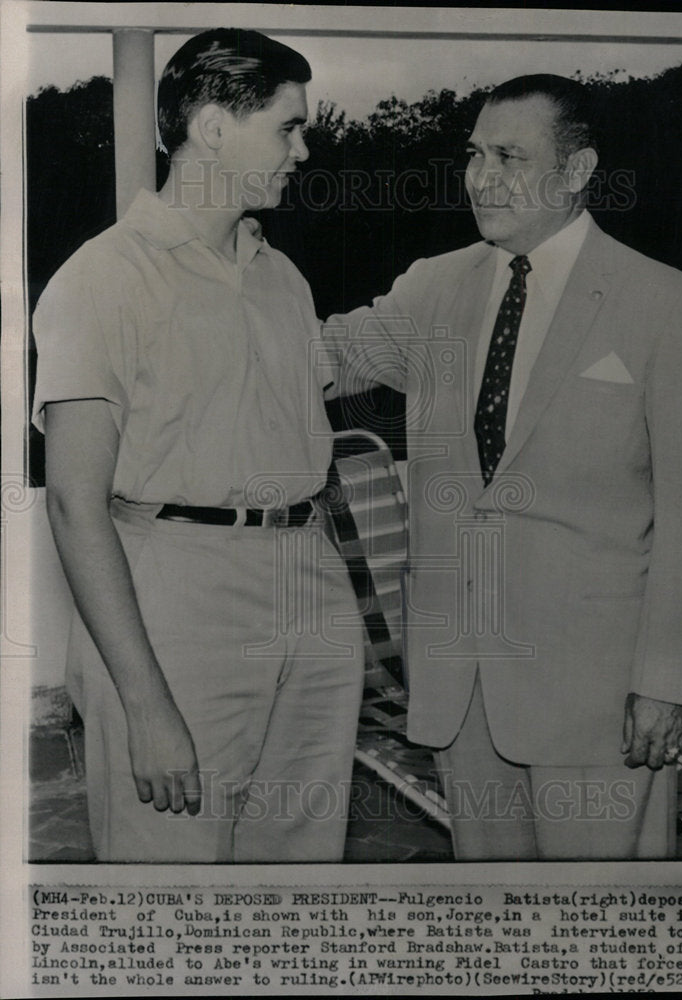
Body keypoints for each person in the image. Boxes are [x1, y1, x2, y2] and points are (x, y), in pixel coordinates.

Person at [325, 74, 682, 860]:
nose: (480, 177)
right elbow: (326, 357)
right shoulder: (434, 287)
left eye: (509, 156)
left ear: (577, 171)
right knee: (500, 923)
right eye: (474, 154)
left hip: (598, 688)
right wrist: (232, 291)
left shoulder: (666, 304)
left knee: (607, 931)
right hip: (459, 686)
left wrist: (668, 682)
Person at [32, 28, 364, 863]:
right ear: (214, 128)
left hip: (309, 585)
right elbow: (75, 503)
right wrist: (144, 704)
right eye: (289, 126)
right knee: (169, 877)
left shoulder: (281, 275)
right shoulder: (101, 277)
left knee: (298, 878)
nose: (304, 147)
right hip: (175, 599)